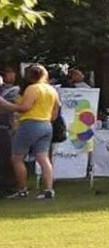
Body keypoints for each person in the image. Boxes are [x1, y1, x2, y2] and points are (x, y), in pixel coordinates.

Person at [0, 65, 59, 200]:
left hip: (30, 124)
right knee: (43, 158)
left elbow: (24, 107)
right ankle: (49, 190)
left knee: (17, 158)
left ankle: (22, 190)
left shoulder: (33, 89)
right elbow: (55, 113)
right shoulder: (51, 90)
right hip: (46, 124)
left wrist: (4, 104)